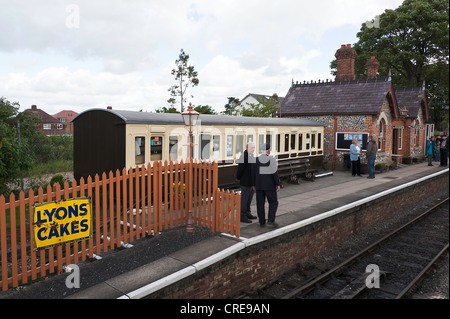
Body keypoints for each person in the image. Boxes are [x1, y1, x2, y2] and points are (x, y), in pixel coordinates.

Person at [252, 143, 281, 228]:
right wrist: (277, 184)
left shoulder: (256, 160)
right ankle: (271, 220)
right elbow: (274, 173)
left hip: (259, 186)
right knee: (273, 202)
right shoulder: (271, 159)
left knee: (260, 204)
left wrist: (253, 184)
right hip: (270, 186)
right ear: (268, 151)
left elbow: (253, 174)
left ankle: (262, 222)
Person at [236, 142, 257, 223]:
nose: (253, 149)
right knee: (244, 200)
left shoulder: (251, 156)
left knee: (249, 199)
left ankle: (248, 213)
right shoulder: (243, 156)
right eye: (252, 148)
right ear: (247, 148)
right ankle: (242, 216)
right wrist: (238, 178)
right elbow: (240, 169)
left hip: (251, 182)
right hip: (245, 182)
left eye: (254, 148)